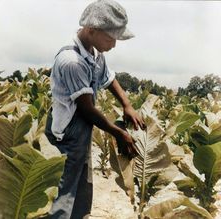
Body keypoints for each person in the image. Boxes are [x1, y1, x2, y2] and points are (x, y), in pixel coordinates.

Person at [45, 0, 145, 218]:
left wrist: (126, 105)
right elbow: (86, 109)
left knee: (82, 184)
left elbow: (109, 79)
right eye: (110, 38)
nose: (114, 45)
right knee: (63, 190)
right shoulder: (72, 60)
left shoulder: (95, 53)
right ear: (91, 29)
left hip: (82, 129)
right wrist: (119, 134)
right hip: (67, 132)